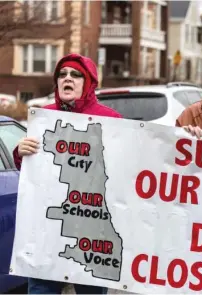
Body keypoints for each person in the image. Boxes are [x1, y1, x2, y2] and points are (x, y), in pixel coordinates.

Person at [13, 53, 122, 294]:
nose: (67, 79)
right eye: (62, 75)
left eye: (75, 74)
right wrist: (21, 152)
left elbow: (124, 171)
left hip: (92, 234)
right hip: (48, 231)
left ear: (89, 82)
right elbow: (32, 174)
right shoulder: (43, 117)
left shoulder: (110, 120)